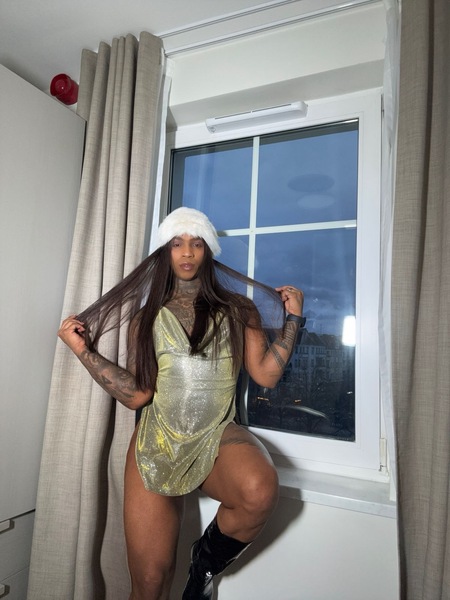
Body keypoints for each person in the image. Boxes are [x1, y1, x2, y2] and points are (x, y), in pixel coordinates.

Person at [58, 207, 304, 600]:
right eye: (177, 243)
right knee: (150, 583)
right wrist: (83, 351)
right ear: (165, 251)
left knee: (258, 491)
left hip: (216, 434)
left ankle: (203, 564)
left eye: (196, 243)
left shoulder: (239, 310)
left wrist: (293, 320)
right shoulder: (146, 318)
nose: (187, 252)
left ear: (208, 251)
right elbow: (138, 395)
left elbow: (266, 375)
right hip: (156, 441)